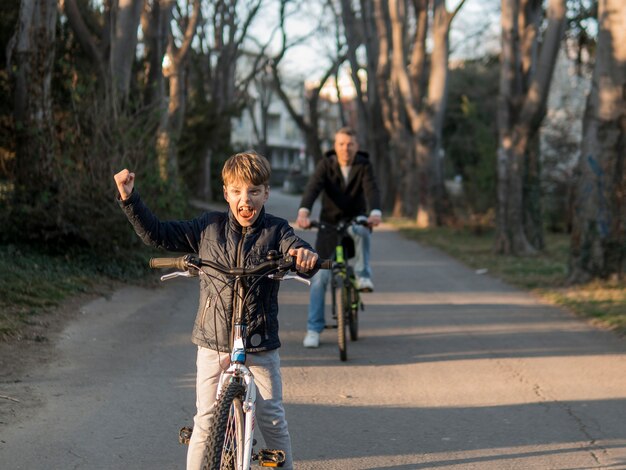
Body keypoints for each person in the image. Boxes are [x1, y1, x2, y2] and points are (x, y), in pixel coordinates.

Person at [114, 152, 318, 470]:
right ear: (226, 193)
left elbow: (297, 247)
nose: (245, 199)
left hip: (260, 342)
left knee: (272, 419)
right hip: (214, 339)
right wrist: (130, 198)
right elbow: (157, 233)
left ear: (266, 193)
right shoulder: (208, 227)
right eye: (236, 191)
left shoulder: (276, 230)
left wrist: (302, 255)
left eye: (253, 191)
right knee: (206, 420)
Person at [296, 127, 382, 349]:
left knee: (362, 230)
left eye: (350, 144)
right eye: (341, 144)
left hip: (356, 220)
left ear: (357, 146)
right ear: (335, 146)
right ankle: (314, 330)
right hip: (329, 226)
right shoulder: (326, 165)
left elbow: (371, 190)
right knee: (319, 278)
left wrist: (375, 213)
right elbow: (313, 188)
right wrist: (304, 211)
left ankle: (363, 276)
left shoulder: (363, 165)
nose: (346, 148)